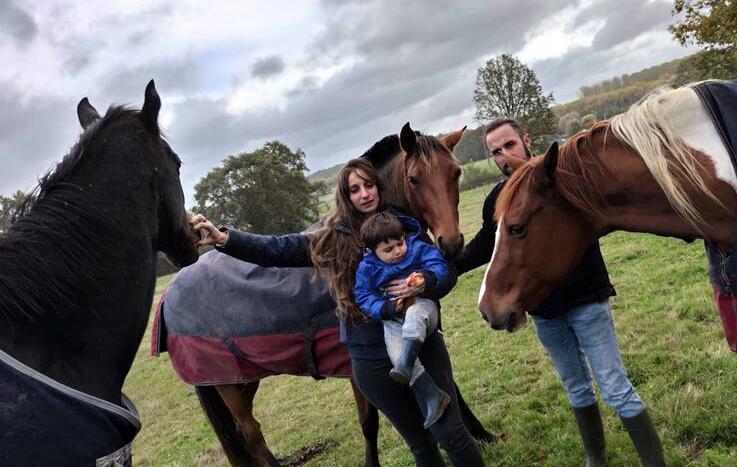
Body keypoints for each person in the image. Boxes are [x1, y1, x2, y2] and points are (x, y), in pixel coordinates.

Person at [191, 157, 484, 467]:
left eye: (369, 185)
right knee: (421, 444)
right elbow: (277, 249)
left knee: (451, 433)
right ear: (346, 196)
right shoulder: (332, 239)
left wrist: (427, 281)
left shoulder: (403, 225)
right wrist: (225, 239)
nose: (365, 194)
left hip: (423, 346)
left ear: (378, 187)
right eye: (355, 189)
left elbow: (446, 274)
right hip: (371, 359)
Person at [454, 119, 666, 467]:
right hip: (544, 311)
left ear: (526, 140)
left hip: (586, 300)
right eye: (495, 151)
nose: (504, 156)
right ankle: (595, 459)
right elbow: (485, 246)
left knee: (615, 386)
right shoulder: (500, 196)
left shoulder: (562, 181)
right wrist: (444, 269)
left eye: (509, 145)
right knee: (575, 386)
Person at [355, 210, 451, 428]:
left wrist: (425, 279)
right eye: (388, 249)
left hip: (422, 307)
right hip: (393, 320)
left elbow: (439, 265)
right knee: (397, 358)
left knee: (415, 317)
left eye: (400, 243)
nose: (398, 251)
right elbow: (363, 297)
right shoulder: (367, 268)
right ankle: (433, 396)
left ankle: (409, 360)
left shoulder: (416, 247)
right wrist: (386, 307)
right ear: (372, 251)